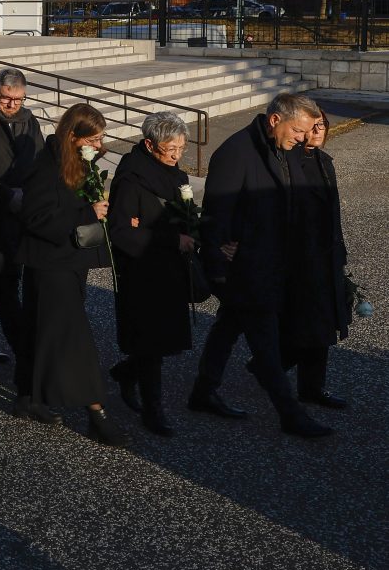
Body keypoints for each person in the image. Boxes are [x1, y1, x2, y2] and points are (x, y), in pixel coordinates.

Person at [191, 93, 334, 438]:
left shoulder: (284, 150)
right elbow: (216, 213)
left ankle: (202, 391)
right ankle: (290, 413)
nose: (302, 138)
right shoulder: (236, 152)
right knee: (265, 341)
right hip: (245, 266)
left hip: (272, 262)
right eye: (298, 130)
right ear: (275, 120)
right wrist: (218, 264)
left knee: (227, 327)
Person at [19, 102, 128, 446]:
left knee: (46, 332)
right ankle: (96, 412)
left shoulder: (79, 163)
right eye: (93, 138)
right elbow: (36, 218)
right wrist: (86, 212)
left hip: (70, 260)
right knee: (74, 338)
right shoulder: (46, 167)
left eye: (100, 138)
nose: (98, 145)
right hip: (50, 263)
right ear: (72, 136)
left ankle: (29, 396)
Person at [106, 112, 197, 436]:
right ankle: (152, 410)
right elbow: (121, 230)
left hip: (169, 269)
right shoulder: (131, 179)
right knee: (151, 344)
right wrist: (173, 239)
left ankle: (126, 372)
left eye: (181, 148)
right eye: (170, 148)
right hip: (142, 273)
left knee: (163, 341)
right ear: (149, 144)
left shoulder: (177, 176)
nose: (176, 154)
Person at [0, 68, 44, 414]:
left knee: (6, 281)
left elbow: (40, 160)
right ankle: (20, 348)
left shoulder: (30, 120)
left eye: (18, 99)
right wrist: (5, 195)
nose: (12, 105)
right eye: (6, 98)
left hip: (24, 214)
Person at [279, 107, 351, 410]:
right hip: (298, 258)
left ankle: (312, 387)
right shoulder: (289, 163)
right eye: (315, 125)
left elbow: (331, 213)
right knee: (306, 323)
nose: (320, 130)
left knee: (324, 324)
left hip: (325, 256)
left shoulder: (324, 162)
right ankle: (271, 366)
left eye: (324, 125)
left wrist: (340, 250)